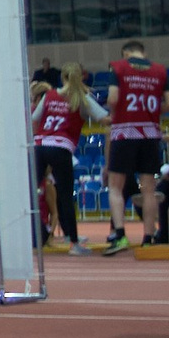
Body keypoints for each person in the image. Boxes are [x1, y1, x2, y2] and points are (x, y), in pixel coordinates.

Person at [101, 39, 169, 256]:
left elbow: (113, 98)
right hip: (150, 133)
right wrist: (150, 109)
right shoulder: (160, 71)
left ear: (126, 54)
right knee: (149, 189)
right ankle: (148, 239)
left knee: (115, 186)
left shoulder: (119, 67)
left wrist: (115, 110)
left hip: (125, 131)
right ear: (143, 52)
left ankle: (120, 235)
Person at [29, 63, 104, 255]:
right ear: (81, 77)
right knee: (65, 196)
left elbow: (34, 119)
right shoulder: (82, 98)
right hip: (61, 147)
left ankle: (32, 236)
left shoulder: (49, 95)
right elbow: (103, 118)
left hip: (40, 146)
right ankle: (73, 243)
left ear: (62, 77)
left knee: (31, 193)